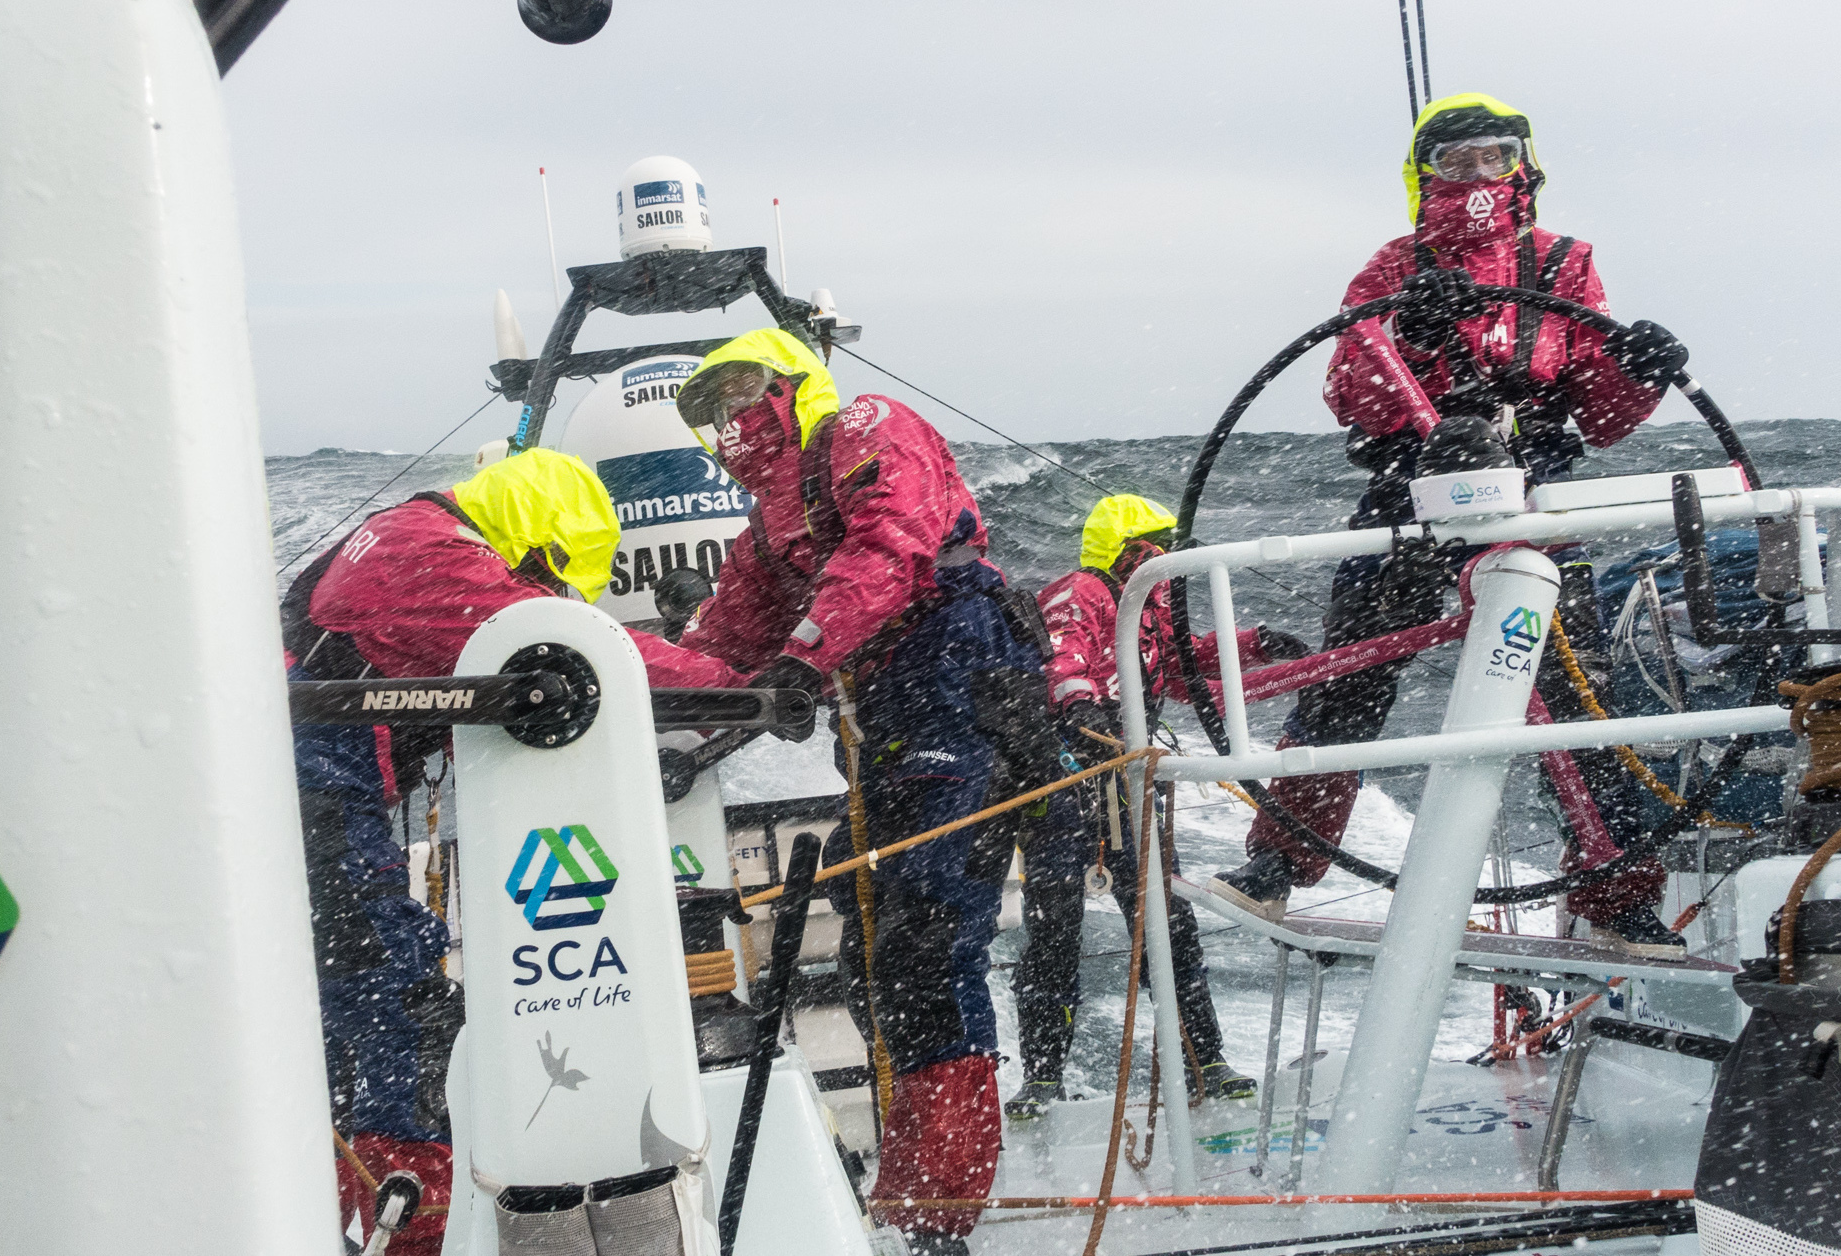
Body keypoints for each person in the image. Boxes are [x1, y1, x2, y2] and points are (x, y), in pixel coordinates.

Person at [1211, 93, 1694, 943]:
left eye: (1494, 156)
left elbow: (1600, 412)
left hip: (1532, 488)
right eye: (1454, 160)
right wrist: (1418, 331)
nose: (1475, 175)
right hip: (1409, 486)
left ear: (1524, 164)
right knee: (1349, 678)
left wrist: (1639, 371)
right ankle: (1278, 865)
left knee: (1575, 693)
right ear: (1422, 174)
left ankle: (1619, 899)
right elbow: (1350, 393)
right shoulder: (1391, 269)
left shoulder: (1563, 265)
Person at [282, 447, 740, 1241]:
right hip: (313, 788)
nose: (542, 599)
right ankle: (414, 1225)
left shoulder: (401, 535)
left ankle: (362, 1215)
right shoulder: (425, 556)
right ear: (539, 541)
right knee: (394, 999)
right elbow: (584, 656)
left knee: (348, 1014)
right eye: (546, 585)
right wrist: (734, 686)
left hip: (307, 785)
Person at [673, 327, 1040, 1256]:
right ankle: (917, 1181)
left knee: (930, 931)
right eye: (709, 406)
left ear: (793, 386)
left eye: (742, 390)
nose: (729, 417)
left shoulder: (867, 427)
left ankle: (940, 1205)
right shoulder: (770, 524)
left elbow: (887, 549)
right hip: (885, 703)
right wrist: (670, 718)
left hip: (956, 673)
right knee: (874, 915)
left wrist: (803, 657)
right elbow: (726, 641)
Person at [1004, 495, 1305, 1120]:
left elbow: (1176, 668)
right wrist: (1079, 704)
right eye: (1155, 541)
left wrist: (1251, 644)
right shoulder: (1079, 592)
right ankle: (1041, 1077)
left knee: (1168, 925)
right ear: (1127, 549)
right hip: (1065, 786)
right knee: (1054, 932)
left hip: (1127, 783)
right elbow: (1063, 656)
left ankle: (1206, 1059)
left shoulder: (1147, 605)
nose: (1166, 554)